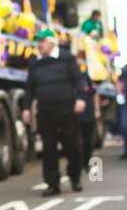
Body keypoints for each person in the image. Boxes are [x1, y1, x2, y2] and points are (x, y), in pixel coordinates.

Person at [20, 29, 87, 196]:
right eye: (38, 41)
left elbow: (78, 79)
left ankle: (75, 177)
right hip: (45, 110)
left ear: (52, 42)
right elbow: (29, 88)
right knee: (49, 149)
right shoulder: (35, 62)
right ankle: (52, 184)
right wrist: (26, 108)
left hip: (66, 109)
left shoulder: (66, 58)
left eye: (42, 41)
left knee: (72, 146)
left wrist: (81, 98)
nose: (39, 45)